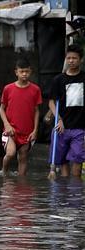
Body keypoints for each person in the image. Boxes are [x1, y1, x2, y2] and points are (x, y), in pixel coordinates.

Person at [0, 58, 42, 176]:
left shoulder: (35, 89)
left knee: (23, 156)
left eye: (26, 71)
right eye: (21, 71)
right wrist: (7, 125)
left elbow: (37, 111)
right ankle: (4, 173)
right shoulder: (8, 88)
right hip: (11, 130)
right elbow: (1, 109)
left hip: (27, 132)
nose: (24, 74)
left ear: (30, 72)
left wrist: (35, 130)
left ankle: (22, 183)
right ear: (16, 72)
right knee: (11, 153)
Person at [49, 44, 85, 178]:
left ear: (80, 59)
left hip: (80, 127)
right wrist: (58, 119)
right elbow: (51, 102)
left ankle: (75, 190)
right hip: (62, 127)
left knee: (78, 158)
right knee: (62, 159)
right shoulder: (58, 80)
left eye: (74, 58)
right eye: (68, 58)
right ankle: (66, 192)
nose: (71, 61)